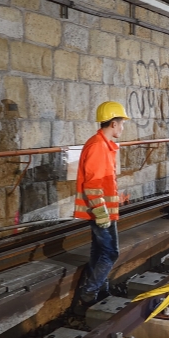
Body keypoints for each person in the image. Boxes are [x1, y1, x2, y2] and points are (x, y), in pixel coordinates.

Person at [73, 100, 128, 307]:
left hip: (103, 209)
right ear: (113, 123)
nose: (122, 128)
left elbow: (103, 181)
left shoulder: (102, 145)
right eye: (121, 123)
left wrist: (117, 198)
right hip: (101, 212)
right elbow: (93, 183)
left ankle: (100, 289)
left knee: (99, 251)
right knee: (110, 253)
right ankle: (89, 293)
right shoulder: (98, 147)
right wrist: (101, 211)